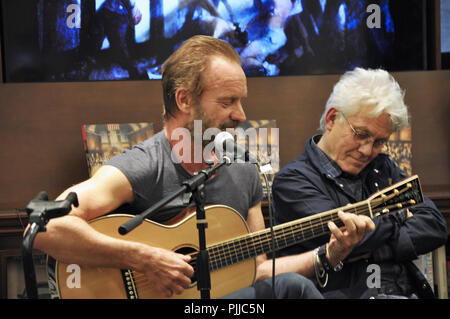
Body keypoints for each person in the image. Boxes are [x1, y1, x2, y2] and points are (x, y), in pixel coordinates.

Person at [31, 35, 373, 299]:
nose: (241, 115)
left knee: (289, 287)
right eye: (227, 102)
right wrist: (143, 258)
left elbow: (259, 271)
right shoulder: (145, 164)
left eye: (241, 101)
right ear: (184, 100)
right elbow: (46, 227)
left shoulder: (242, 168)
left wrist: (329, 253)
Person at [272, 67, 448, 299]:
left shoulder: (382, 166)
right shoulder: (293, 181)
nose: (367, 150)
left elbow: (435, 225)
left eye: (379, 142)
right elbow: (351, 238)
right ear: (332, 118)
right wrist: (399, 213)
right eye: (361, 134)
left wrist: (367, 244)